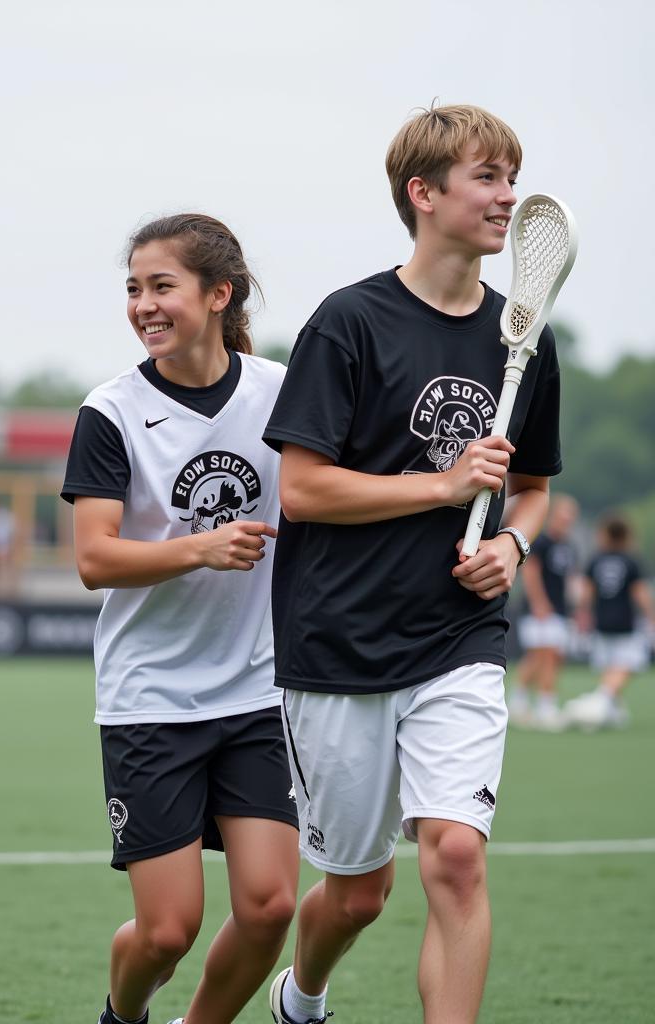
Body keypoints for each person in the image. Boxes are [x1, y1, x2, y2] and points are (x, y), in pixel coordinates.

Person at [263, 104, 561, 1024]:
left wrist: (511, 544)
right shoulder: (347, 323)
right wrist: (440, 490)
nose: (507, 195)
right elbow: (304, 491)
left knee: (457, 858)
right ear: (423, 194)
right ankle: (303, 994)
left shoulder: (524, 339)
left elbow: (538, 489)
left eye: (511, 177)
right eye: (487, 177)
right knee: (356, 893)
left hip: (457, 639)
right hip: (339, 643)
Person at [61, 214, 298, 1024]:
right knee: (166, 932)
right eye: (134, 288)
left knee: (269, 908)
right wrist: (200, 549)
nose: (143, 305)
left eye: (161, 286)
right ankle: (122, 1016)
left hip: (260, 695)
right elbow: (94, 558)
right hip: (150, 699)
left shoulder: (280, 392)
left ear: (218, 294)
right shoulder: (112, 411)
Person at [564, 513, 655, 730]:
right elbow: (640, 593)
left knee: (609, 664)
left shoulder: (596, 559)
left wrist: (581, 614)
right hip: (625, 620)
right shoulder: (632, 560)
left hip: (602, 619)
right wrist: (651, 615)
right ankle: (601, 701)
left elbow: (586, 593)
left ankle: (613, 708)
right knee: (629, 663)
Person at [508, 493, 579, 729]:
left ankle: (518, 702)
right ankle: (546, 707)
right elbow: (531, 573)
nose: (567, 521)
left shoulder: (568, 546)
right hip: (540, 609)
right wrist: (539, 602)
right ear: (553, 515)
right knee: (547, 655)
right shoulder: (542, 541)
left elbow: (568, 579)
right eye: (563, 515)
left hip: (559, 609)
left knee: (542, 656)